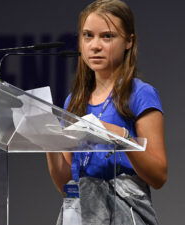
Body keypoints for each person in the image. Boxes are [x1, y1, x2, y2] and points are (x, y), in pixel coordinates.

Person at [46, 0, 167, 224]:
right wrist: (49, 144)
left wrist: (122, 137)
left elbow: (158, 176)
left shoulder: (141, 94)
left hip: (124, 211)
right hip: (80, 213)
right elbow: (66, 183)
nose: (95, 45)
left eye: (107, 36)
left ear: (129, 42)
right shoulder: (73, 101)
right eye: (88, 35)